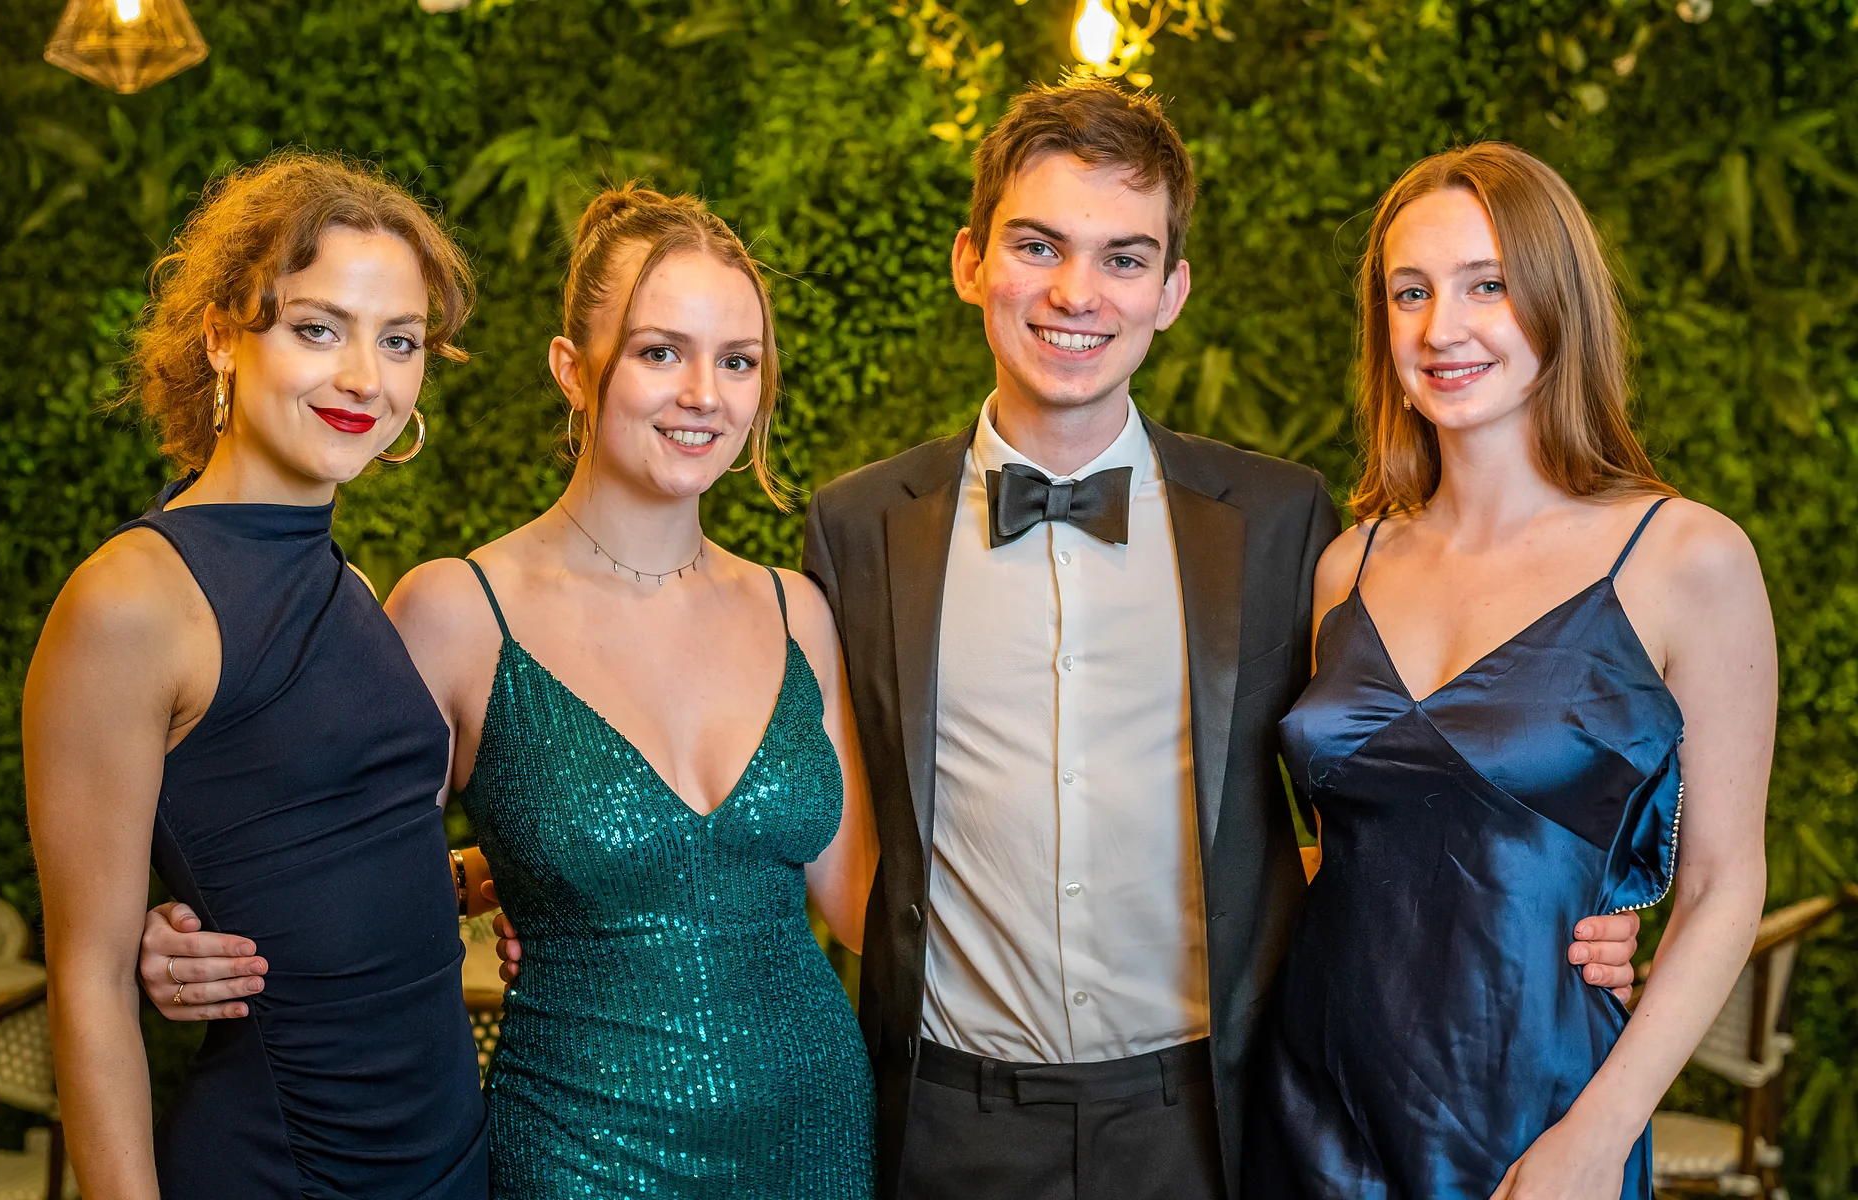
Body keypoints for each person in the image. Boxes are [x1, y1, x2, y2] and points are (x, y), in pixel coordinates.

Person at [785, 84, 1644, 1200]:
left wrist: (1565, 905)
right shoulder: (855, 529)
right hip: (944, 1121)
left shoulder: (1284, 525)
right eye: (1038, 245)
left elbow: (1403, 777)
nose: (1077, 293)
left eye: (1124, 258)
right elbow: (805, 817)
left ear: (1172, 291)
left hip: (1218, 1123)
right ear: (970, 261)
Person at [142, 185, 881, 1197]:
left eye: (738, 361)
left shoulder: (799, 612)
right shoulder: (456, 613)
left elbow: (868, 907)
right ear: (572, 368)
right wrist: (184, 940)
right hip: (577, 1151)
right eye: (661, 352)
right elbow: (339, 874)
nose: (705, 393)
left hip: (819, 1133)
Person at [1249, 143, 1775, 1199]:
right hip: (1311, 1101)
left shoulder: (1686, 558)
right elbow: (1349, 847)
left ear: (1556, 300)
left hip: (1538, 1112)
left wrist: (1600, 1134)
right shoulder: (1347, 565)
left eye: (1485, 285)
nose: (1441, 328)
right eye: (1410, 292)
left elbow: (1724, 885)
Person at [24, 153, 489, 1198]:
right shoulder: (131, 599)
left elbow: (343, 861)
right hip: (289, 1166)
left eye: (400, 340)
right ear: (221, 337)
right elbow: (88, 982)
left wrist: (486, 878)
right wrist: (138, 950)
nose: (366, 377)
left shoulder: (351, 589)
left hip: (452, 1156)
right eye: (319, 329)